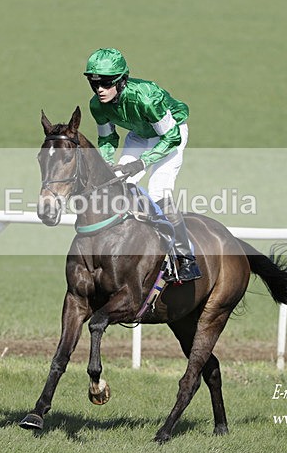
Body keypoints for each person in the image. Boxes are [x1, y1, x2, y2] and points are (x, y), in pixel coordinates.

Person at [83, 47, 201, 283]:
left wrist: (141, 163)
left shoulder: (146, 98)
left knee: (158, 191)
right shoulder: (97, 105)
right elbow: (107, 138)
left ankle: (186, 259)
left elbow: (171, 138)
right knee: (116, 183)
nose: (100, 90)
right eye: (94, 83)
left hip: (170, 134)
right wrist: (107, 164)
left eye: (106, 83)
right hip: (139, 133)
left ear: (121, 80)